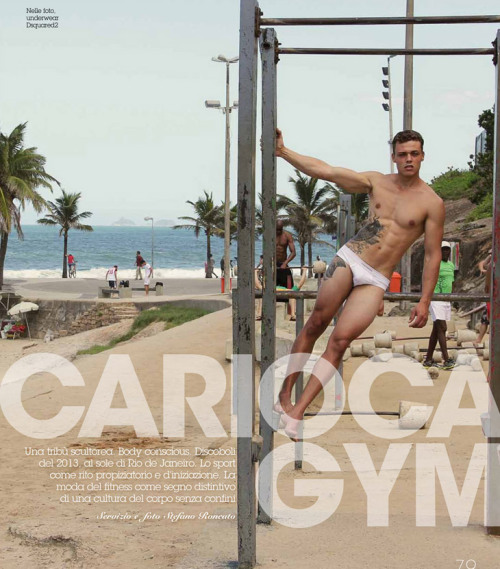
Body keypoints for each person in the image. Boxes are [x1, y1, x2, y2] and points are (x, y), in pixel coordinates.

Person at [273, 128, 445, 441]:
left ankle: (297, 412)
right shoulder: (377, 182)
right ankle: (285, 395)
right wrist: (285, 152)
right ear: (393, 156)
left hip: (376, 278)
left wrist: (424, 300)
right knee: (315, 324)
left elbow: (433, 256)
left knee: (339, 342)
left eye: (414, 153)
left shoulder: (432, 203)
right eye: (402, 154)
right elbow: (328, 171)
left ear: (423, 156)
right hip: (351, 258)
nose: (408, 159)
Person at [423, 241, 455, 370]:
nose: (446, 252)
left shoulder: (451, 265)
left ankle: (428, 359)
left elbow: (452, 281)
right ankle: (446, 359)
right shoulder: (434, 264)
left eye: (448, 250)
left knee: (436, 330)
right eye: (443, 250)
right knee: (442, 327)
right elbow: (426, 280)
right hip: (435, 298)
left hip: (446, 300)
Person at [476, 249, 492, 346]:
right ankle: (479, 339)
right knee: (485, 318)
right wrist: (482, 269)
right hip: (491, 291)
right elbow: (483, 263)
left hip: (492, 291)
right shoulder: (492, 261)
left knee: (487, 318)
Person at [276, 220, 296, 288]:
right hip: (272, 264)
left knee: (289, 287)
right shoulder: (270, 235)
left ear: (282, 228)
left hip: (283, 263)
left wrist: (285, 263)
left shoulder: (287, 235)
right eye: (277, 230)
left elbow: (293, 252)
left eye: (280, 230)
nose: (278, 231)